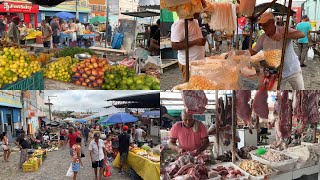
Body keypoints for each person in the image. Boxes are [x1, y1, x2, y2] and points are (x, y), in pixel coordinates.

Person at [250, 12, 305, 90]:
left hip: (293, 69)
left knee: (300, 91)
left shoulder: (283, 30)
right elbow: (254, 51)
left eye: (266, 25)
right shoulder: (262, 38)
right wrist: (242, 54)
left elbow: (301, 34)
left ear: (272, 23)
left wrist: (284, 35)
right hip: (277, 74)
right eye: (262, 25)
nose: (264, 28)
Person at [171, 13, 206, 82]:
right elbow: (174, 45)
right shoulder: (179, 24)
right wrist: (195, 42)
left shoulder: (195, 21)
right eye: (197, 10)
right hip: (188, 63)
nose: (199, 12)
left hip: (199, 61)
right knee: (191, 86)